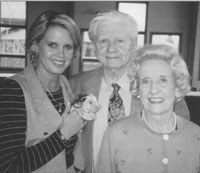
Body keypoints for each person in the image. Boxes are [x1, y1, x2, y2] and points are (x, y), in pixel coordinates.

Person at [69, 11, 190, 172]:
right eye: (103, 40)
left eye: (119, 40)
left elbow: (182, 141)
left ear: (133, 44)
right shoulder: (76, 85)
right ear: (95, 46)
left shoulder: (163, 86)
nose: (111, 48)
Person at [0, 11, 86, 173]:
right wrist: (63, 135)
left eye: (67, 47)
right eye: (53, 45)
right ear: (35, 46)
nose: (61, 55)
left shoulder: (66, 88)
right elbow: (7, 167)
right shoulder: (12, 91)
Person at [96, 44, 200, 173]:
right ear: (137, 88)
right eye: (145, 81)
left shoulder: (196, 136)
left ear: (177, 87)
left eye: (163, 80)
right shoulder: (115, 134)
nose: (153, 90)